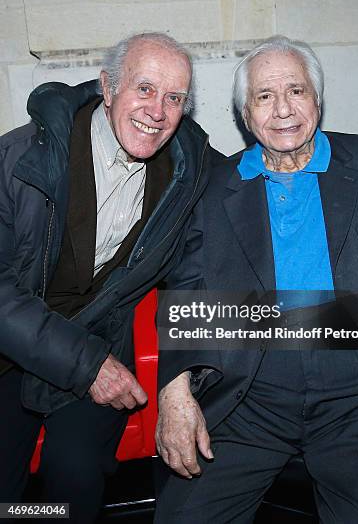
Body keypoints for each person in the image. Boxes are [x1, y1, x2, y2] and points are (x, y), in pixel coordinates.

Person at [155, 35, 358, 524]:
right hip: (250, 395)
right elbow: (186, 290)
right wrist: (175, 390)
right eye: (265, 97)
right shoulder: (212, 188)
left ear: (317, 99)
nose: (284, 110)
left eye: (296, 90)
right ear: (246, 116)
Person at [0, 32, 214, 522]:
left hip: (99, 338)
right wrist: (87, 366)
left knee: (73, 475)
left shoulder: (189, 170)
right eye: (144, 89)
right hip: (10, 350)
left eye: (174, 98)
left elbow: (236, 212)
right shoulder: (17, 161)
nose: (157, 112)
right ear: (107, 88)